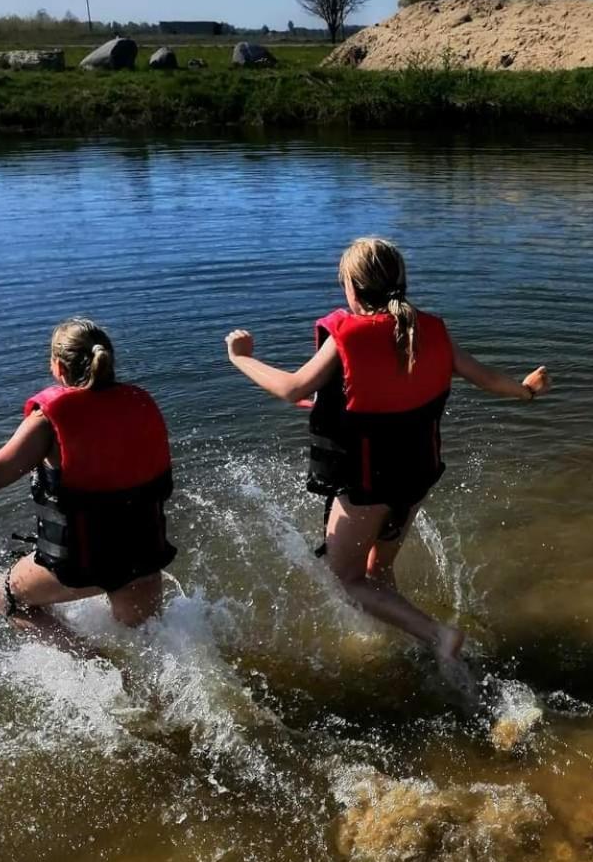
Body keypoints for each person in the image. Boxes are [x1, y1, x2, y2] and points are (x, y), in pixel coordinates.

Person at [225, 236, 549, 661]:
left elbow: (291, 388)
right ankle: (409, 643)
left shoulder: (346, 338)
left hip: (367, 483)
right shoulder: (429, 330)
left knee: (346, 578)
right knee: (379, 569)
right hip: (415, 477)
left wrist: (241, 357)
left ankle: (437, 637)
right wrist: (525, 391)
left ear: (353, 290)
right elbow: (487, 378)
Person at [0, 319, 176, 647]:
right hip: (144, 556)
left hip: (82, 565)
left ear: (58, 367)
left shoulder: (47, 422)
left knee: (6, 597)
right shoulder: (139, 405)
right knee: (150, 649)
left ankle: (94, 664)